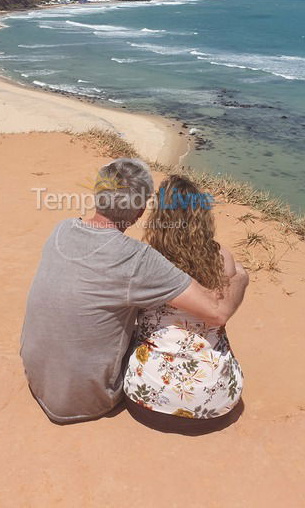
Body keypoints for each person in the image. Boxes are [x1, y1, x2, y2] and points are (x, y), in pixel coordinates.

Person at [20, 158, 249, 424]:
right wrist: (240, 278)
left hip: (38, 379)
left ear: (99, 196)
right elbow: (217, 312)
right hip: (89, 399)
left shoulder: (60, 230)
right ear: (140, 212)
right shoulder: (137, 259)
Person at [123, 175, 245, 434]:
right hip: (216, 403)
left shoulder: (148, 260)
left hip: (147, 398)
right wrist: (241, 276)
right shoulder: (221, 257)